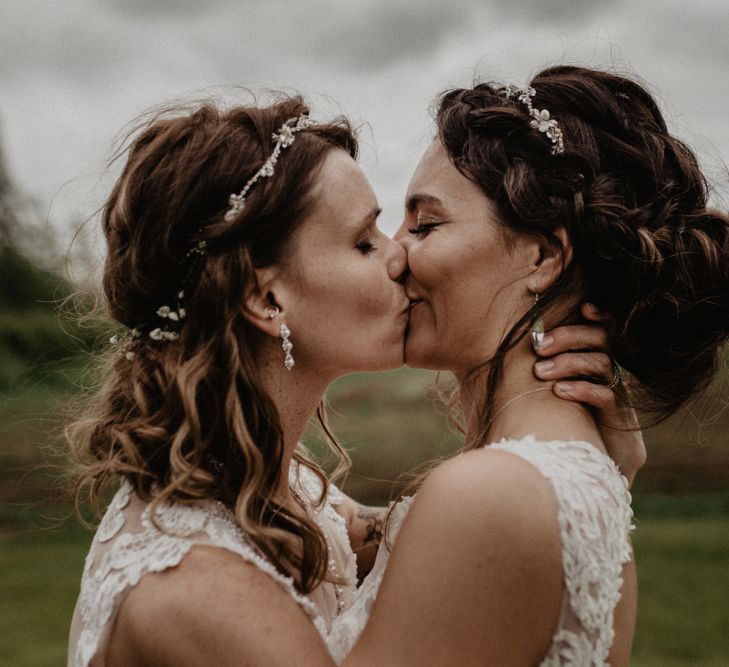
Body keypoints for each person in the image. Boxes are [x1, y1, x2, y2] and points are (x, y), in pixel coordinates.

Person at [66, 94, 642, 667]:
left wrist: (578, 480)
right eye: (365, 242)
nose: (399, 255)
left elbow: (428, 543)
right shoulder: (203, 587)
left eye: (421, 224)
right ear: (267, 298)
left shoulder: (274, 492)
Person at [330, 66, 729, 666]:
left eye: (425, 223)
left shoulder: (488, 495)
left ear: (543, 256)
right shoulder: (576, 481)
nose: (394, 254)